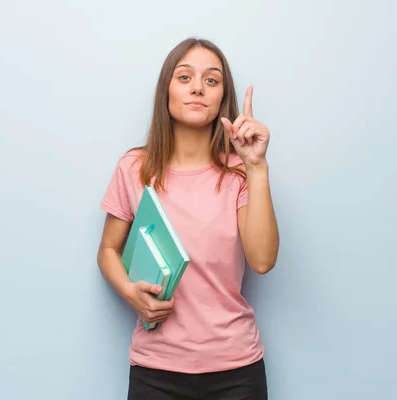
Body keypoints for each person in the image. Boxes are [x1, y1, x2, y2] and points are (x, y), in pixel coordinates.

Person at [96, 37, 279, 400]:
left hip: (236, 371)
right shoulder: (134, 168)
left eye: (211, 80)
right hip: (156, 370)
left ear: (222, 99)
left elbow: (262, 260)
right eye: (184, 77)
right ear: (166, 89)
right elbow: (107, 250)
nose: (198, 87)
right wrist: (130, 292)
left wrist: (257, 168)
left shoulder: (240, 173)